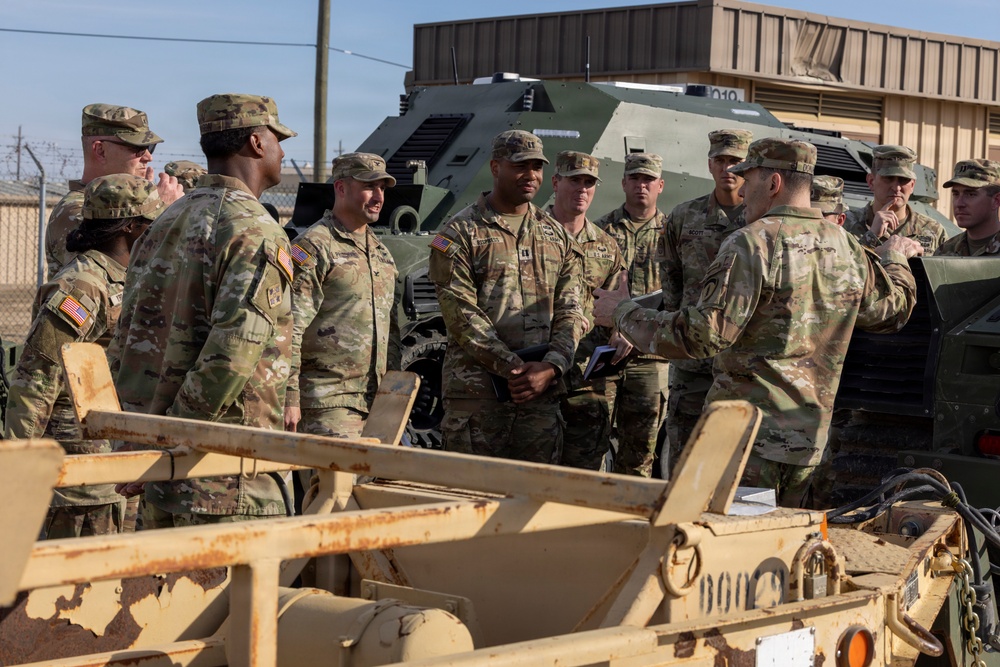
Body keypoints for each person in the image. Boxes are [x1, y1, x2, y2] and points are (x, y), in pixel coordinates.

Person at [593, 138, 921, 506]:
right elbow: (893, 311)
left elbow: (701, 336)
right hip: (809, 446)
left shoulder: (751, 244)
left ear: (774, 183)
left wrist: (622, 313)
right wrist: (895, 258)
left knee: (731, 536)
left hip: (748, 444)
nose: (742, 191)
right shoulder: (848, 247)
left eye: (748, 180)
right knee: (786, 538)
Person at [111, 93, 297, 528]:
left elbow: (126, 338)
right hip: (225, 478)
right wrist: (170, 442)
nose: (283, 152)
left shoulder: (166, 220)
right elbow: (232, 355)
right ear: (256, 143)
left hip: (161, 473)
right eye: (277, 139)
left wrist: (143, 440)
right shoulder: (255, 230)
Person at [5, 174, 164, 538]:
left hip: (115, 457)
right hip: (81, 473)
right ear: (130, 227)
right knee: (80, 569)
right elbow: (36, 379)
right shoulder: (83, 286)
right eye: (152, 222)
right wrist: (16, 464)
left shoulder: (128, 276)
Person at [428, 130, 586, 464]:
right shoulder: (459, 233)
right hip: (478, 401)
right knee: (470, 493)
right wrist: (516, 370)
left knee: (535, 493)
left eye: (537, 167)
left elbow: (572, 308)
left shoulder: (555, 234)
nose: (531, 175)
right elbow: (460, 315)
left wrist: (552, 367)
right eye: (520, 166)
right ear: (496, 167)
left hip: (540, 401)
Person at [284, 153, 400, 438]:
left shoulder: (381, 253)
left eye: (382, 188)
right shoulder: (314, 247)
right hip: (327, 404)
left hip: (377, 405)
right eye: (369, 186)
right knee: (336, 471)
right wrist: (289, 397)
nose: (378, 197)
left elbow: (392, 331)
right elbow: (288, 327)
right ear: (341, 188)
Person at [659, 129, 751, 463]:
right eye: (720, 160)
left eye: (735, 161)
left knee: (736, 459)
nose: (728, 168)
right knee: (685, 451)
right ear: (710, 165)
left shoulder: (762, 219)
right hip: (692, 361)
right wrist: (679, 333)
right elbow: (671, 278)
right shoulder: (685, 216)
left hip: (742, 362)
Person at [547, 150, 627, 470]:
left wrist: (622, 330)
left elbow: (619, 301)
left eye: (589, 183)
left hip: (586, 381)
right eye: (574, 180)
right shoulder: (531, 235)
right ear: (556, 182)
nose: (582, 189)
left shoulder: (606, 246)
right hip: (537, 377)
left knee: (584, 475)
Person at [594, 153, 670, 477]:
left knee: (640, 453)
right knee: (592, 445)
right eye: (635, 178)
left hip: (650, 358)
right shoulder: (600, 231)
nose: (642, 185)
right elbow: (587, 289)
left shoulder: (673, 233)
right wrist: (616, 327)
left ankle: (633, 507)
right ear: (624, 183)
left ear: (660, 186)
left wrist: (637, 331)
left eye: (648, 179)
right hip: (606, 353)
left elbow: (679, 294)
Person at [45, 104, 182, 279]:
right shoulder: (76, 211)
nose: (148, 157)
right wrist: (160, 210)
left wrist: (145, 204)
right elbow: (132, 272)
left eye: (150, 147)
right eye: (137, 148)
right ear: (100, 150)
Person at [843, 145, 946, 253]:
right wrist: (871, 236)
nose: (896, 188)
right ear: (871, 181)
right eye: (888, 178)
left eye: (903, 179)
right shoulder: (845, 224)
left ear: (912, 185)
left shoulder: (933, 231)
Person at [935, 159, 1000, 256]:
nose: (959, 204)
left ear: (996, 201)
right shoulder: (944, 252)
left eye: (971, 194)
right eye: (956, 194)